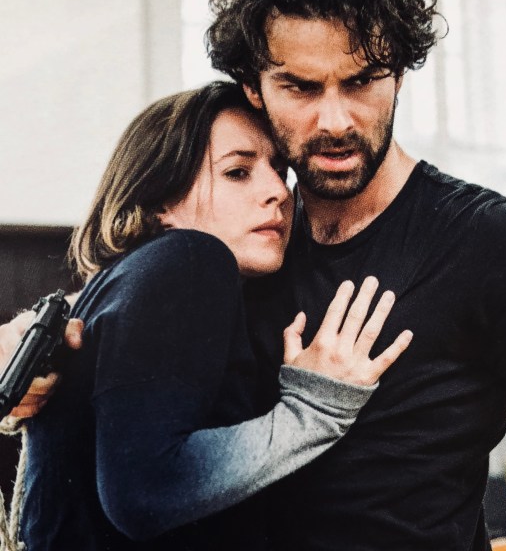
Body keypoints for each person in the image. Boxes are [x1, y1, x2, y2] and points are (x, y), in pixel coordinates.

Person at [1, 0, 506, 549]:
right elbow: (117, 343)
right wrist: (33, 356)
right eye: (301, 88)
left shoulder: (495, 244)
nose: (335, 120)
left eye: (362, 81)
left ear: (399, 75)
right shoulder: (244, 248)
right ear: (254, 88)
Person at [13, 80, 411, 550]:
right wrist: (313, 411)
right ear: (162, 199)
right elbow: (145, 490)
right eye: (238, 172)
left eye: (279, 170)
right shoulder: (192, 257)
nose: (278, 192)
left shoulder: (128, 281)